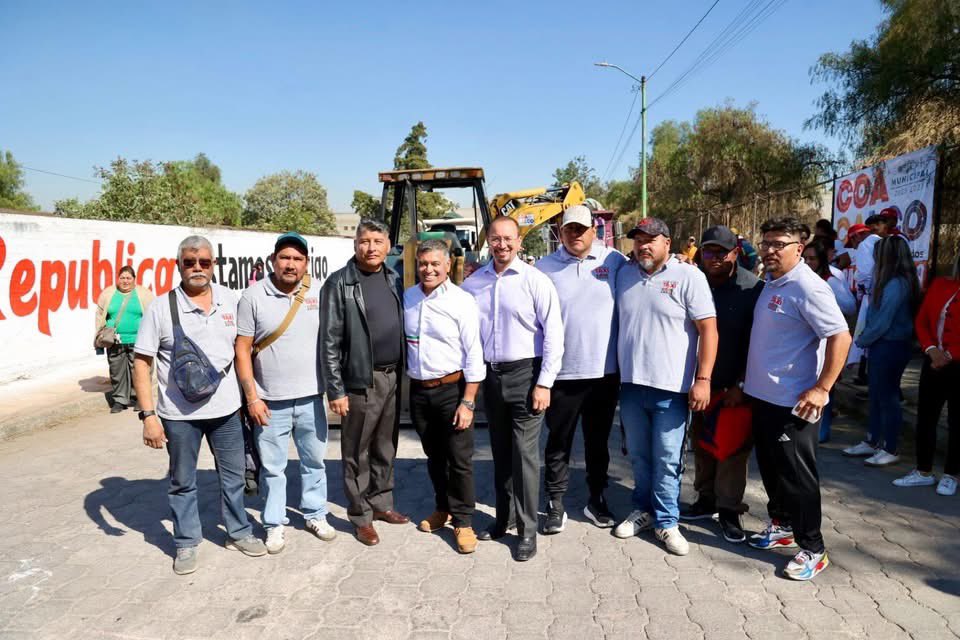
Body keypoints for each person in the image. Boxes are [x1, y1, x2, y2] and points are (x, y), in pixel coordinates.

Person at [133, 235, 267, 575]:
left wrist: (252, 396)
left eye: (204, 263)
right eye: (190, 263)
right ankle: (186, 542)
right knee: (182, 481)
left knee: (234, 476)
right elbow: (142, 363)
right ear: (178, 265)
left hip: (226, 412)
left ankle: (237, 531)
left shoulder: (231, 300)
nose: (197, 268)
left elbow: (245, 348)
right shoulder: (161, 308)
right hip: (179, 417)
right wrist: (149, 416)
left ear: (213, 265)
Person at [744, 217, 851, 581]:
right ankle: (783, 525)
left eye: (779, 244)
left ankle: (813, 548)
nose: (770, 250)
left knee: (798, 477)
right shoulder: (772, 282)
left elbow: (840, 336)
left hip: (794, 402)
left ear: (798, 249)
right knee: (773, 470)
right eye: (766, 242)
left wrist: (822, 389)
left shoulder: (809, 287)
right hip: (762, 396)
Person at [612, 218, 717, 557]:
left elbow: (709, 331)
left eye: (651, 240)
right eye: (638, 240)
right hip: (631, 385)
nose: (643, 246)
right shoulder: (624, 273)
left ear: (668, 243)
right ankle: (642, 509)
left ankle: (667, 521)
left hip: (672, 388)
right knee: (640, 457)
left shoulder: (689, 276)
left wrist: (703, 380)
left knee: (668, 458)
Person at [461, 215, 563, 562]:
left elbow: (554, 336)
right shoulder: (474, 284)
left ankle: (527, 531)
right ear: (487, 241)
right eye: (495, 238)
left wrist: (544, 382)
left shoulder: (536, 281)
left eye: (508, 239)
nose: (501, 245)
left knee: (524, 456)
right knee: (500, 452)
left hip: (526, 375)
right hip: (490, 377)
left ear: (519, 242)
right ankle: (502, 520)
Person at [235, 232, 335, 555]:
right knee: (273, 468)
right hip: (269, 402)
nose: (290, 264)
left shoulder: (319, 293)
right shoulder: (253, 296)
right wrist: (252, 397)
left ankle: (315, 513)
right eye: (285, 258)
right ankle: (274, 523)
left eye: (297, 259)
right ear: (273, 260)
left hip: (311, 399)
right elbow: (242, 349)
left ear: (306, 264)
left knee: (314, 461)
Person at [536, 205, 627, 532]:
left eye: (582, 229)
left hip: (604, 374)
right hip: (561, 374)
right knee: (558, 442)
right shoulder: (544, 268)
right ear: (561, 232)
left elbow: (647, 274)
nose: (575, 234)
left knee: (597, 442)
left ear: (594, 231)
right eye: (569, 229)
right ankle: (555, 503)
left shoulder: (613, 262)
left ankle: (596, 498)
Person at [320, 219, 409, 546]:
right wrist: (336, 389)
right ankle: (360, 516)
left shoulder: (392, 277)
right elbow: (328, 340)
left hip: (392, 376)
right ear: (355, 244)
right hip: (360, 380)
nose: (371, 248)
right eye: (364, 241)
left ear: (388, 245)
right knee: (356, 451)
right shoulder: (339, 283)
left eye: (377, 241)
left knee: (386, 446)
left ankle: (382, 503)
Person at [679, 226, 762, 544]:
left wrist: (742, 383)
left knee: (732, 451)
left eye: (721, 252)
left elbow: (758, 344)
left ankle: (729, 509)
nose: (713, 258)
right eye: (708, 251)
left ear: (735, 253)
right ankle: (706, 500)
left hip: (734, 386)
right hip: (699, 383)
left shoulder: (752, 289)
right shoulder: (694, 281)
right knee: (702, 444)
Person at [404, 239, 485, 554]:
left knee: (459, 460)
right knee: (434, 457)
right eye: (424, 263)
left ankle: (463, 521)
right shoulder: (409, 297)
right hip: (420, 392)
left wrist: (468, 401)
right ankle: (443, 508)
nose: (429, 269)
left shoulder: (462, 301)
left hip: (452, 391)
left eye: (435, 263)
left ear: (448, 265)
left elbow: (474, 355)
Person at [843, 237, 920, 466]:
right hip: (882, 344)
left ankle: (891, 447)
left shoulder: (897, 284)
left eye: (878, 254)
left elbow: (883, 321)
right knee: (876, 396)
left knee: (887, 398)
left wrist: (861, 340)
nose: (873, 259)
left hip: (891, 345)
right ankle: (873, 440)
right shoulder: (888, 281)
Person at [894, 254, 960, 496]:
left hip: (957, 365)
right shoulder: (941, 284)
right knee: (926, 417)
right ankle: (923, 471)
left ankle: (951, 474)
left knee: (957, 422)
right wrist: (932, 350)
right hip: (932, 361)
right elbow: (922, 320)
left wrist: (949, 355)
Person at [802, 239, 855, 443]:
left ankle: (821, 430)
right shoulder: (798, 278)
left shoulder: (830, 280)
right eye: (804, 258)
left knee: (827, 383)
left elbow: (850, 306)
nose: (807, 262)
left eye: (812, 258)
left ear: (823, 260)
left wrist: (827, 305)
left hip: (827, 340)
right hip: (807, 343)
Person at [95, 266, 154, 413]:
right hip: (114, 340)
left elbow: (153, 315)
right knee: (117, 371)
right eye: (122, 278)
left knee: (140, 371)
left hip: (139, 340)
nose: (125, 281)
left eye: (128, 278)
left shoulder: (144, 294)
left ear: (134, 279)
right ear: (118, 279)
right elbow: (100, 315)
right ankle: (120, 400)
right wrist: (98, 336)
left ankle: (139, 398)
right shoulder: (108, 294)